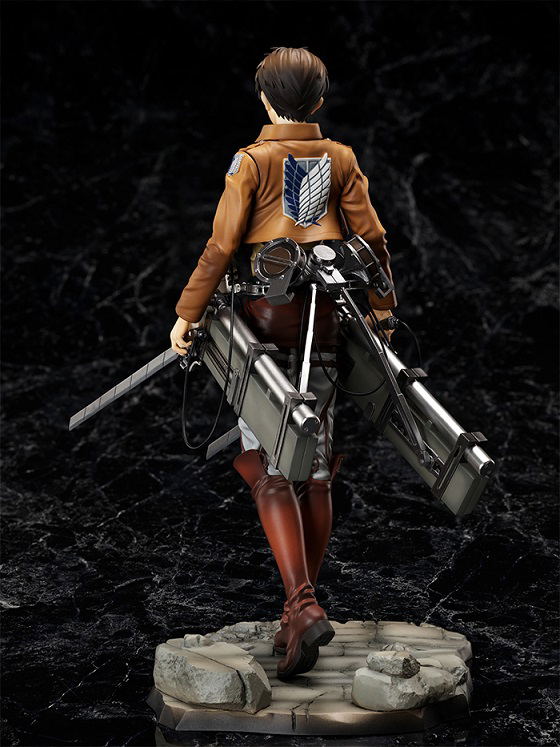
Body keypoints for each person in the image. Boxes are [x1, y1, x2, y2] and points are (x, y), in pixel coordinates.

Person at [169, 47, 397, 680]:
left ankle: (301, 604)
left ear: (265, 99)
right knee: (314, 471)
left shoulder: (252, 161)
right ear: (318, 101)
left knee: (273, 466)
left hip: (263, 331)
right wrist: (382, 312)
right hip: (324, 325)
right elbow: (373, 240)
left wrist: (188, 312)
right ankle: (299, 608)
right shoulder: (340, 159)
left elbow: (221, 245)